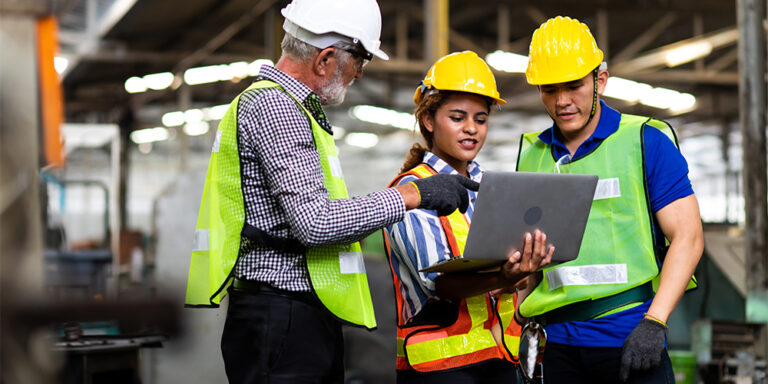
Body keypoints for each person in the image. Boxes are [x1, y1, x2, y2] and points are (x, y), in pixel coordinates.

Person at [184, 1, 480, 383]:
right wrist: (412, 196)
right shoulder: (278, 108)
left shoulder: (292, 109)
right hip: (281, 319)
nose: (359, 72)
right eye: (359, 60)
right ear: (324, 59)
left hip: (289, 316)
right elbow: (315, 223)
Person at [515, 16, 704, 383]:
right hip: (556, 347)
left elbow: (688, 236)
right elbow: (529, 259)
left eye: (574, 86)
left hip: (630, 339)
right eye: (549, 90)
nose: (562, 101)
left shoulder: (645, 141)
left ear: (600, 80)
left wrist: (655, 322)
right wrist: (520, 316)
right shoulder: (531, 155)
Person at [382, 51, 555, 384]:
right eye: (457, 117)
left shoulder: (490, 188)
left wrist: (524, 269)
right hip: (438, 369)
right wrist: (504, 276)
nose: (471, 129)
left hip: (499, 358)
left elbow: (509, 277)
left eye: (480, 118)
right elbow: (440, 285)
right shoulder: (411, 190)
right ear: (429, 121)